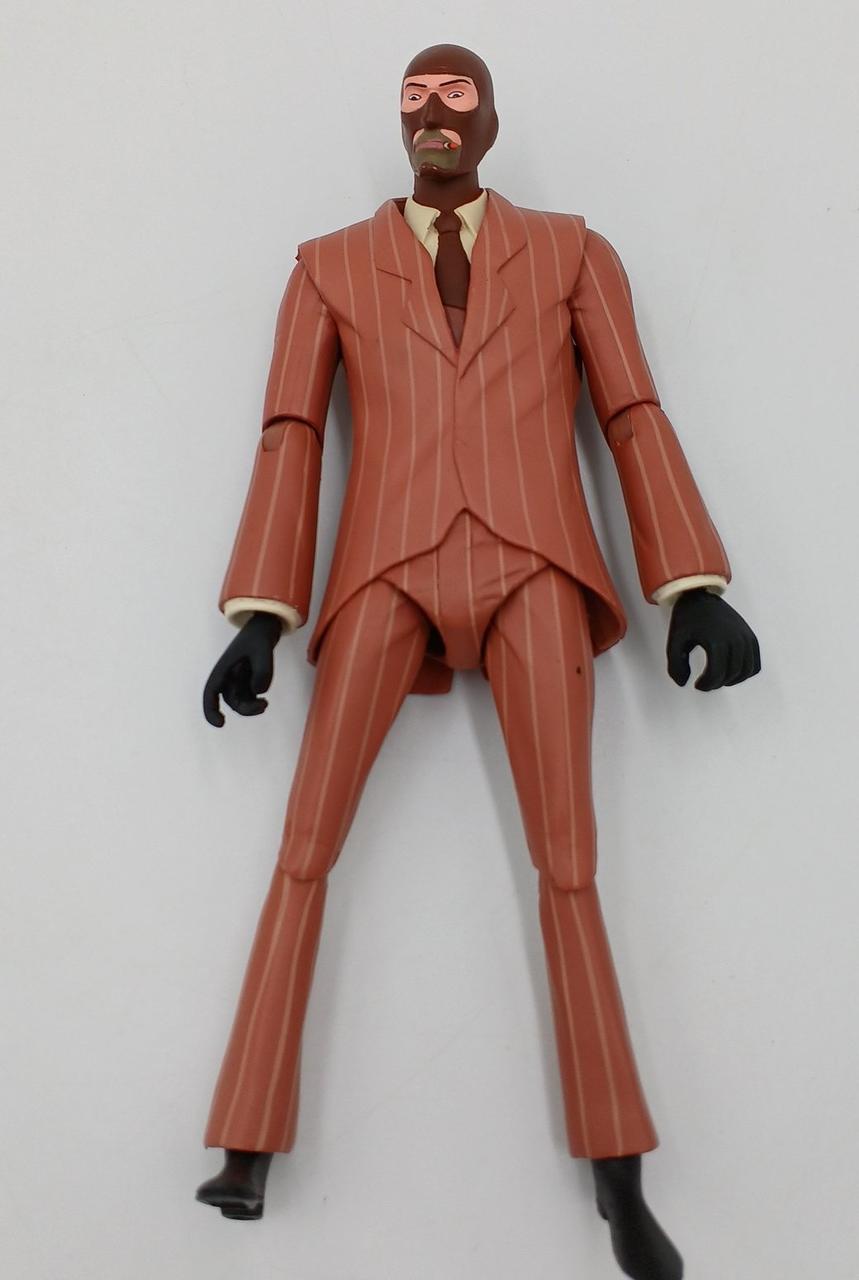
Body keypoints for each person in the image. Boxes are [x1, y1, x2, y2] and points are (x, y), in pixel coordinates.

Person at [195, 44, 760, 1280]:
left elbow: (630, 413)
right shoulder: (327, 265)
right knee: (305, 843)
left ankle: (619, 1173)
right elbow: (292, 434)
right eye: (414, 99)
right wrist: (262, 610)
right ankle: (247, 1136)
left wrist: (692, 581)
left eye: (455, 97)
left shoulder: (570, 251)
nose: (433, 117)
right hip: (384, 565)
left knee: (570, 863)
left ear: (493, 119)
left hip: (536, 563)